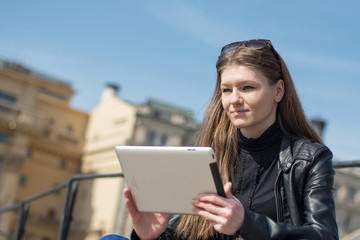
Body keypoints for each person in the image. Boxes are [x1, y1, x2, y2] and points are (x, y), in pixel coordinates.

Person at [123, 39, 339, 240]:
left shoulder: (309, 159)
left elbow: (325, 235)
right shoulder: (208, 154)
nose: (234, 100)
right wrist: (152, 236)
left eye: (248, 87)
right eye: (226, 90)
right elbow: (191, 231)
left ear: (278, 91)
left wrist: (246, 222)